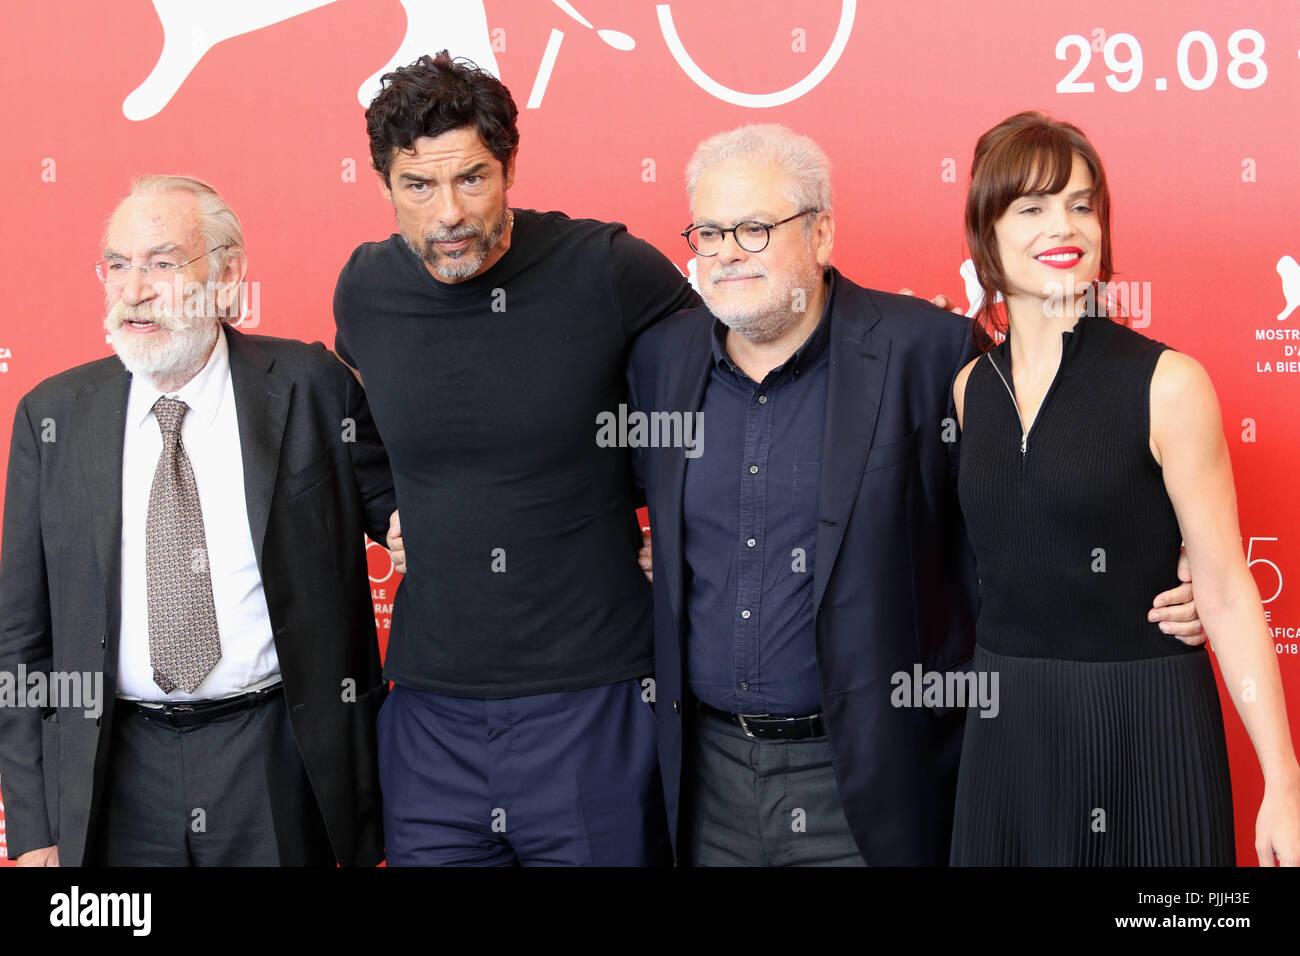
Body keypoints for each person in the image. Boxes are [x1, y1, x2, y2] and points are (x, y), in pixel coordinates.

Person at [624, 123, 1206, 865]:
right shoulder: (661, 360)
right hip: (706, 781)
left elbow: (1033, 503)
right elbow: (579, 499)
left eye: (755, 229)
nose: (727, 252)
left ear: (822, 232)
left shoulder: (931, 354)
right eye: (709, 231)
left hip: (872, 778)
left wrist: (1166, 570)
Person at [333, 52, 703, 865]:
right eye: (417, 187)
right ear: (386, 185)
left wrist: (675, 522)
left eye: (472, 179)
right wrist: (391, 511)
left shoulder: (607, 267)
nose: (449, 215)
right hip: (429, 709)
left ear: (509, 167)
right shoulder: (366, 289)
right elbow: (354, 431)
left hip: (593, 700)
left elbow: (716, 395)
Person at [0, 175, 395, 866]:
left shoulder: (310, 386)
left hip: (275, 751)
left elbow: (412, 515)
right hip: (114, 765)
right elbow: (21, 639)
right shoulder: (52, 415)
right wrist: (33, 824)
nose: (134, 289)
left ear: (227, 275)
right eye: (117, 265)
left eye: (161, 263)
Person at [949, 111, 1300, 866]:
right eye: (1033, 207)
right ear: (988, 236)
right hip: (1007, 727)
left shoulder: (1168, 384)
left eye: (1081, 204)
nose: (1063, 225)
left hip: (1145, 723)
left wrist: (1285, 781)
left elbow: (1227, 587)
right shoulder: (970, 388)